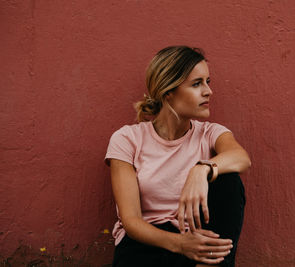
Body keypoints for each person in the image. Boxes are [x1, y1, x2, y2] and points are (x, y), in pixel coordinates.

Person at [105, 46, 251, 267]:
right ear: (168, 92)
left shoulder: (210, 133)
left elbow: (241, 158)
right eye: (196, 84)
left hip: (195, 239)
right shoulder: (127, 139)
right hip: (146, 244)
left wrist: (201, 169)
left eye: (207, 82)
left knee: (229, 180)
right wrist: (180, 243)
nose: (208, 91)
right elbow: (131, 220)